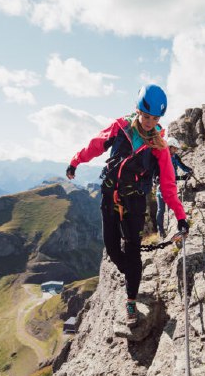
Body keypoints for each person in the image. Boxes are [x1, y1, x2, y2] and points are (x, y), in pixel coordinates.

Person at [66, 84, 189, 326]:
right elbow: (96, 144)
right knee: (112, 248)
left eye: (155, 118)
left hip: (134, 202)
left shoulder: (159, 147)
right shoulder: (120, 127)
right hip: (109, 196)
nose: (149, 122)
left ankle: (131, 300)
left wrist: (181, 216)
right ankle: (132, 274)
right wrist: (75, 161)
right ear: (138, 110)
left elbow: (168, 185)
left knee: (132, 250)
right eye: (146, 116)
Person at [155, 136, 192, 238]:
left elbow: (182, 166)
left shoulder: (175, 157)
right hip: (161, 186)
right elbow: (164, 175)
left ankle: (170, 228)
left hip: (171, 186)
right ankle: (161, 231)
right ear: (169, 147)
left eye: (176, 149)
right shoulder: (161, 157)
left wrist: (189, 171)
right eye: (174, 148)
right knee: (161, 210)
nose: (175, 151)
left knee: (168, 209)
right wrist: (182, 177)